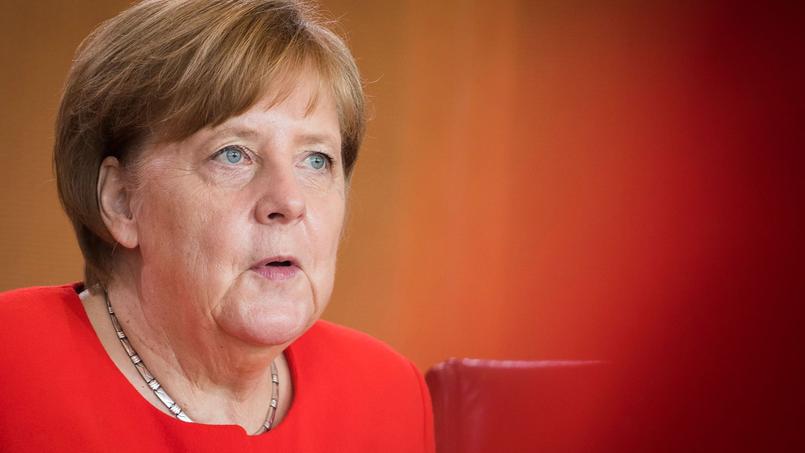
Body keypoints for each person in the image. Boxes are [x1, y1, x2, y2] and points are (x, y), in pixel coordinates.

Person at [0, 1, 434, 451]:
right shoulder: (11, 368)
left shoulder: (388, 395)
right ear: (122, 201)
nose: (289, 202)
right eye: (233, 154)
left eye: (316, 160)